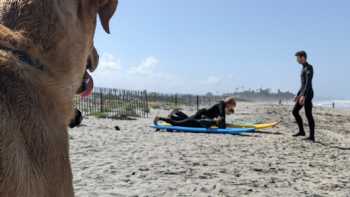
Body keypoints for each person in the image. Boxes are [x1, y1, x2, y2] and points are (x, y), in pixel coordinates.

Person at [154, 97, 236, 129]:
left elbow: (222, 118)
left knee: (186, 120)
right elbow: (222, 117)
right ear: (229, 103)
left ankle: (176, 114)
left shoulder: (222, 105)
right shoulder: (222, 104)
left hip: (202, 116)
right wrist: (227, 125)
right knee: (180, 123)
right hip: (201, 116)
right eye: (232, 106)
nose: (232, 108)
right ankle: (159, 118)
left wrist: (223, 123)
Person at [292, 51, 315, 141]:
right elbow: (303, 84)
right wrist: (298, 95)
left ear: (303, 57)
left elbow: (308, 84)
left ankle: (312, 136)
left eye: (297, 58)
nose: (296, 60)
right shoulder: (303, 68)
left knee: (308, 115)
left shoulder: (309, 68)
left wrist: (304, 96)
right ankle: (302, 131)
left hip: (308, 94)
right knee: (295, 111)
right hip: (303, 93)